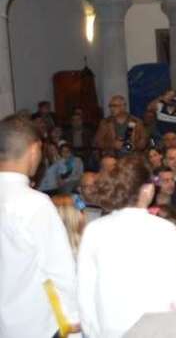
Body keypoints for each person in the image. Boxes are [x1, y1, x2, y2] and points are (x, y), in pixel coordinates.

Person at [77, 155, 176, 338]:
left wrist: (93, 333)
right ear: (147, 189)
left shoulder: (94, 230)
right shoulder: (165, 230)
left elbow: (85, 293)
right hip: (157, 330)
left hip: (110, 331)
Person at [0, 116, 79, 338]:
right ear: (35, 150)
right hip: (34, 324)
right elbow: (59, 269)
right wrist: (74, 318)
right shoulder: (34, 204)